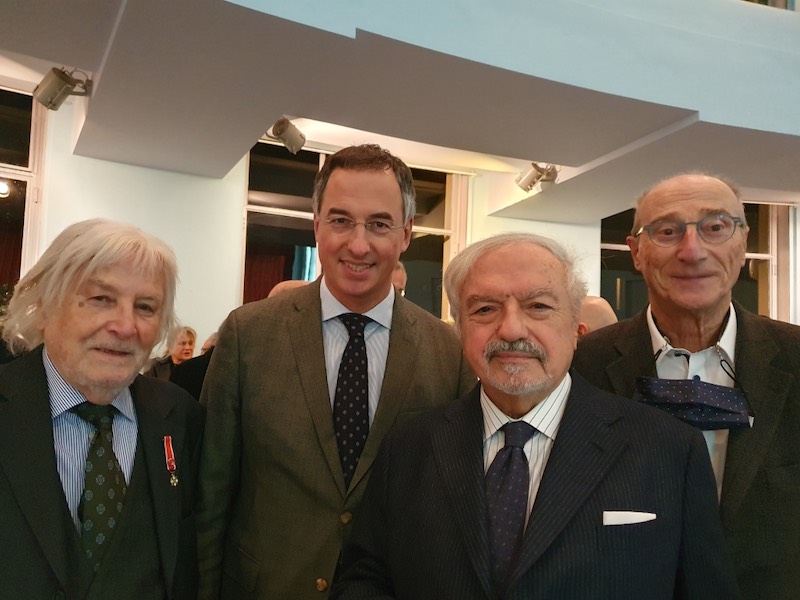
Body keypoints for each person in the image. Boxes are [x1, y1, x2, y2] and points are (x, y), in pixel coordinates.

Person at [332, 232, 739, 600]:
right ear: (460, 328)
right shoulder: (409, 448)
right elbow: (365, 578)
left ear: (576, 328)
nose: (511, 330)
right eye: (485, 309)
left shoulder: (669, 450)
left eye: (538, 306)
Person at [197, 144, 475, 599]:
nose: (358, 244)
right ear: (317, 225)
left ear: (406, 234)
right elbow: (211, 492)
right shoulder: (248, 334)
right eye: (341, 220)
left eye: (379, 224)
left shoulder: (449, 351)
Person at [572, 173, 800, 599]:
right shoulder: (582, 367)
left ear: (743, 244)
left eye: (716, 227)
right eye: (666, 232)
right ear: (636, 253)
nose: (692, 251)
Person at [0, 218, 205, 599]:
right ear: (43, 304)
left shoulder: (180, 417)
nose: (125, 326)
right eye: (100, 299)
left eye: (145, 307)